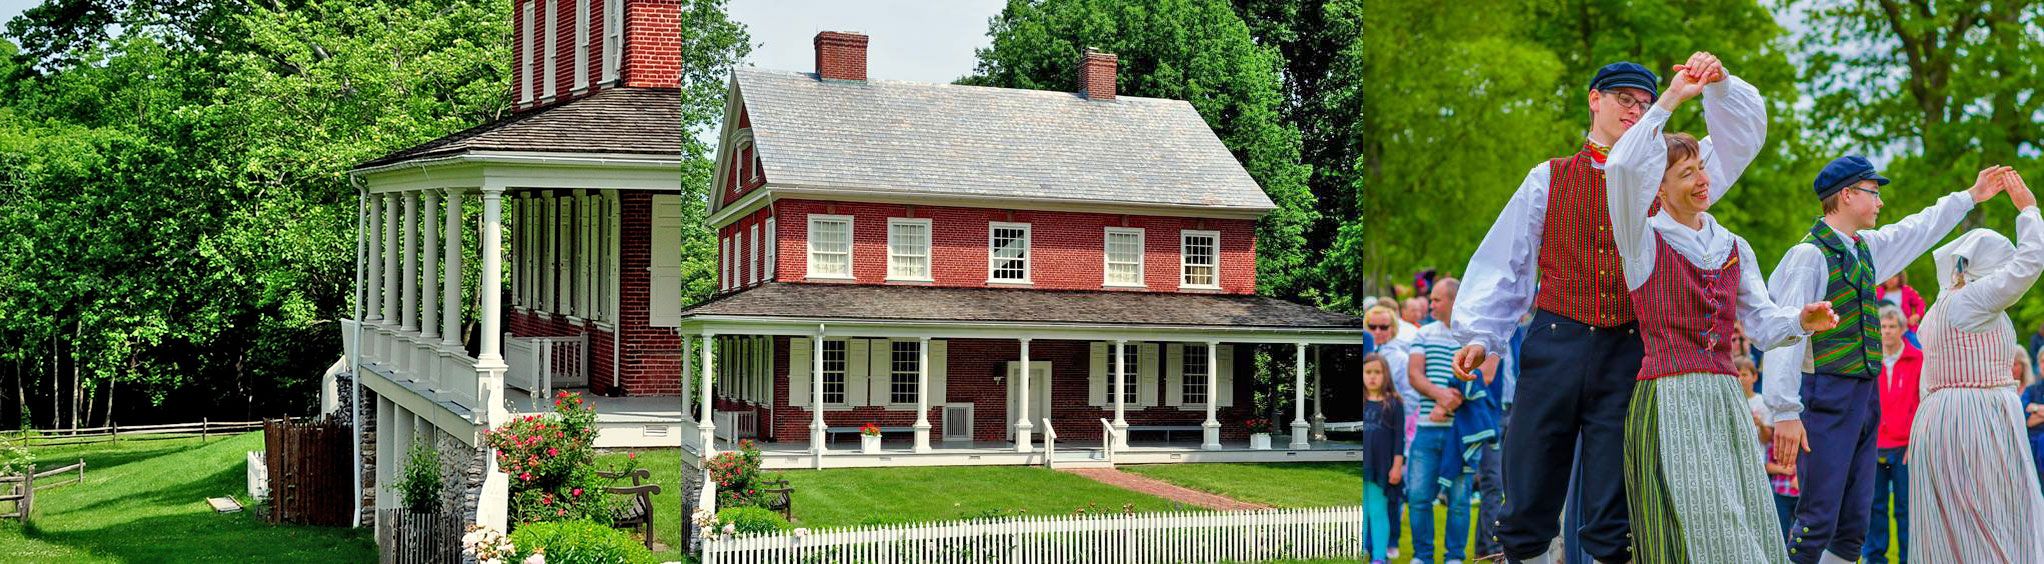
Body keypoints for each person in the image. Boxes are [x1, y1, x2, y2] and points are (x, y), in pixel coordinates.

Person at [1452, 53, 1767, 564]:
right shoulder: (1548, 178)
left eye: (1645, 103)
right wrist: (1480, 335)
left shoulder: (1668, 182)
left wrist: (1720, 84)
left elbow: (1740, 140)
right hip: (1556, 340)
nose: (1636, 110)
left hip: (1631, 351)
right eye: (1626, 99)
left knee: (1612, 503)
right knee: (1529, 484)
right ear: (1595, 99)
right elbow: (1505, 262)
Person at [1603, 60, 1826, 562]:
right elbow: (1621, 167)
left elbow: (1765, 326)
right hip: (1669, 400)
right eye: (1687, 173)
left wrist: (1799, 321)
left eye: (1701, 167)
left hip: (1725, 399)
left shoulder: (1732, 245)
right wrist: (1671, 100)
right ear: (1658, 187)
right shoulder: (1641, 239)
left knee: (1746, 520)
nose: (1703, 179)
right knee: (1698, 530)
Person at [1761, 156, 2004, 564]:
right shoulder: (1808, 256)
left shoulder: (1864, 250)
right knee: (1818, 515)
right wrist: (1784, 409)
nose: (1880, 203)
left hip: (1862, 392)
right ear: (1846, 195)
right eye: (1873, 193)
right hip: (1826, 395)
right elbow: (1784, 332)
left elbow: (1917, 230)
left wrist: (1969, 197)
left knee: (1854, 522)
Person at [1908, 170, 2044, 562]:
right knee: (1989, 516)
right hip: (1975, 417)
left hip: (1938, 415)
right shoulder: (1975, 299)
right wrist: (2028, 210)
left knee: (1953, 521)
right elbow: (2029, 265)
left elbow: (1928, 374)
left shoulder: (1940, 306)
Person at [1409, 278, 1499, 564]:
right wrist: (1439, 396)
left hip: (1460, 432)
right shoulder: (1423, 335)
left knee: (1459, 501)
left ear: (1453, 300)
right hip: (1426, 426)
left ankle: (1455, 557)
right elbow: (1415, 375)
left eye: (1436, 299)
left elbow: (1483, 378)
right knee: (1419, 497)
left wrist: (1450, 404)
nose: (1431, 304)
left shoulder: (1474, 339)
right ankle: (1423, 556)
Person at [1866, 305, 1920, 563]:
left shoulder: (1917, 359)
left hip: (1905, 447)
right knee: (1874, 506)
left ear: (1902, 329)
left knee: (1904, 507)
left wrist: (1915, 441)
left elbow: (1924, 401)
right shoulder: (1869, 359)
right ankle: (1875, 557)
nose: (1886, 332)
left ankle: (1908, 557)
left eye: (1891, 327)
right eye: (1883, 326)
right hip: (1875, 445)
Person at [1362, 305, 1414, 556]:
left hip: (1394, 433)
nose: (1379, 331)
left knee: (1391, 494)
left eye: (1384, 326)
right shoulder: (1364, 352)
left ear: (1393, 329)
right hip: (1370, 440)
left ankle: (1389, 542)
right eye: (1373, 326)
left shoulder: (1401, 357)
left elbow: (1410, 398)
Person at [1359, 353, 1407, 564]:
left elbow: (1399, 439)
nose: (1372, 377)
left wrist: (1396, 467)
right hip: (1360, 468)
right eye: (1368, 372)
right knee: (1362, 513)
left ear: (1385, 375)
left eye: (1377, 372)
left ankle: (1379, 557)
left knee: (1378, 512)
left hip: (1381, 469)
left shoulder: (1394, 404)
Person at [2024, 348, 2044, 491]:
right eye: (2043, 361)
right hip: (2033, 452)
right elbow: (2025, 420)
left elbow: (2031, 419)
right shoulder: (2030, 391)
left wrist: (2035, 408)